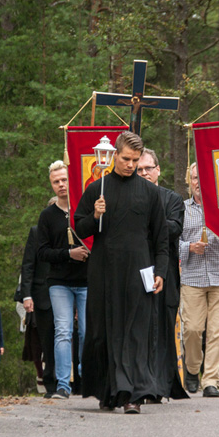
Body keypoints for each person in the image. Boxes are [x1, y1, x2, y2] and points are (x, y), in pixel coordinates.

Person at [74, 131, 170, 414]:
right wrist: (95, 216)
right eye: (126, 159)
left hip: (139, 269)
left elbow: (161, 237)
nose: (131, 165)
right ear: (115, 155)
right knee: (104, 332)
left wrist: (161, 271)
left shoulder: (150, 192)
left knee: (134, 333)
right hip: (104, 270)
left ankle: (132, 395)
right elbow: (79, 229)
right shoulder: (97, 189)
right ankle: (107, 391)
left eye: (136, 160)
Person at [136, 148, 189, 402]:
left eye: (148, 168)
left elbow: (174, 229)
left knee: (163, 329)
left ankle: (160, 386)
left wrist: (147, 223)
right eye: (139, 169)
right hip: (135, 272)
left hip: (164, 273)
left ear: (158, 170)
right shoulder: (129, 197)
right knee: (140, 328)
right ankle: (140, 384)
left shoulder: (173, 199)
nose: (144, 173)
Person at [179, 163, 219, 398]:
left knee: (217, 331)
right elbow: (171, 240)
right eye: (194, 178)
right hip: (192, 277)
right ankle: (192, 370)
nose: (198, 183)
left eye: (202, 178)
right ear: (188, 181)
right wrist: (189, 247)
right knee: (192, 329)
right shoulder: (180, 209)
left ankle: (211, 380)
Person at [37, 161, 89, 400]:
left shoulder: (84, 211)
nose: (61, 185)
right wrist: (69, 254)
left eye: (64, 180)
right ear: (51, 184)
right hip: (59, 282)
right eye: (56, 181)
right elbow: (42, 252)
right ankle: (62, 385)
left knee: (88, 331)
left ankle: (86, 378)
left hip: (87, 280)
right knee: (63, 331)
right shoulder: (47, 216)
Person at [20, 196, 57, 397]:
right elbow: (28, 266)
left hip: (66, 291)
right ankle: (47, 379)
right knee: (44, 339)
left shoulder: (72, 231)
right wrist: (26, 295)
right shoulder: (36, 233)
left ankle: (70, 380)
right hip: (41, 295)